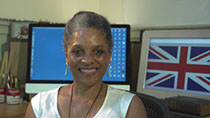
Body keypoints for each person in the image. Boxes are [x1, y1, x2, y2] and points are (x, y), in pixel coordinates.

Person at [25, 11, 147, 118]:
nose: (88, 60)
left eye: (98, 52)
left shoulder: (128, 107)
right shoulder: (39, 105)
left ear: (109, 56)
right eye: (77, 52)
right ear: (66, 56)